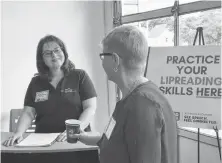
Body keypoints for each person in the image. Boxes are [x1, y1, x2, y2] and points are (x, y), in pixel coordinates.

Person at [74, 25, 178, 163]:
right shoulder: (131, 98)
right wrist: (88, 138)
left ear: (115, 60)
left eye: (103, 56)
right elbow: (118, 140)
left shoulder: (141, 106)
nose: (102, 62)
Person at [4, 35, 97, 146]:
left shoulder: (79, 76)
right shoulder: (36, 82)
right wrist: (18, 132)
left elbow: (90, 107)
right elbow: (28, 113)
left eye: (57, 50)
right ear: (42, 59)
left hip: (76, 139)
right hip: (43, 142)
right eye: (47, 53)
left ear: (64, 52)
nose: (54, 55)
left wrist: (76, 130)